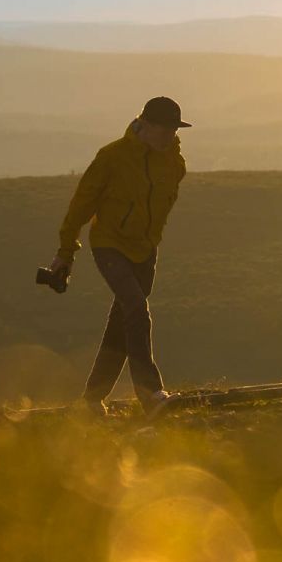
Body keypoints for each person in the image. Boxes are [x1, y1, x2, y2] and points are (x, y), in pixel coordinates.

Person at [48, 97, 190, 418]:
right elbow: (81, 205)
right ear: (147, 125)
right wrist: (65, 251)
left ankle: (91, 400)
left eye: (174, 129)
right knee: (137, 310)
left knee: (122, 323)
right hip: (109, 245)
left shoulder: (174, 163)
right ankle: (151, 393)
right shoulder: (112, 157)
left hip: (146, 249)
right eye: (165, 129)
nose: (170, 135)